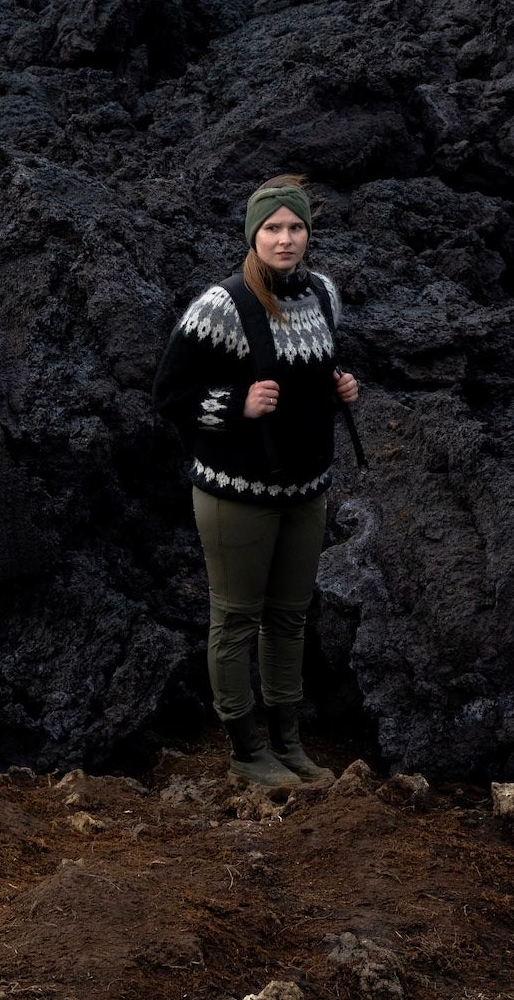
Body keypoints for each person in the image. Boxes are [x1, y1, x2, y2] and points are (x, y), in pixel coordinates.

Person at [153, 176, 361, 787]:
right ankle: (247, 751)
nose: (285, 238)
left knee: (291, 616)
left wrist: (337, 387)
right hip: (233, 491)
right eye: (272, 228)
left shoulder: (324, 294)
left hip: (306, 489)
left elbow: (309, 372)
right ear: (253, 235)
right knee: (237, 618)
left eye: (295, 227)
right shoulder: (222, 306)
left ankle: (289, 742)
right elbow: (170, 397)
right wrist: (235, 405)